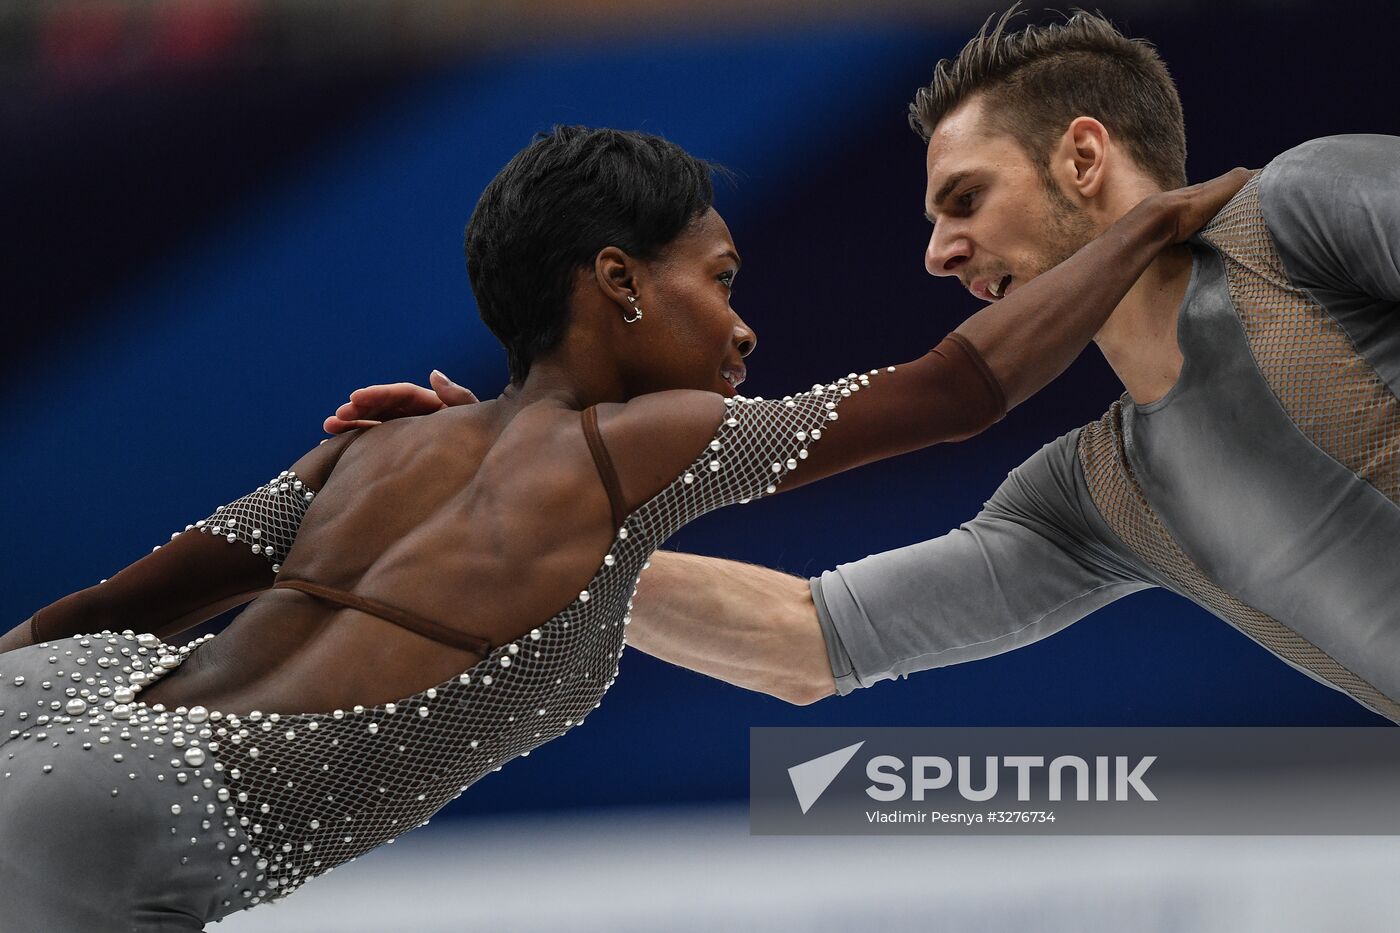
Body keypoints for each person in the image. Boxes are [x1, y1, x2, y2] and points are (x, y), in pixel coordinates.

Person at [0, 124, 1238, 930]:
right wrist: (1138, 230)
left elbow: (104, 611)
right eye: (720, 278)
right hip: (138, 812)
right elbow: (950, 391)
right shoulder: (642, 444)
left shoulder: (372, 449)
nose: (742, 326)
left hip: (60, 715)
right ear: (617, 282)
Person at [335, 10, 1400, 722]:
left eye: (965, 199)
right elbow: (803, 640)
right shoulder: (1100, 497)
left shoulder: (1293, 213)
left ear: (1083, 158)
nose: (938, 253)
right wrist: (525, 521)